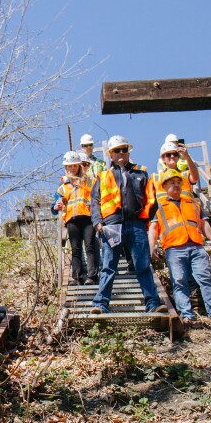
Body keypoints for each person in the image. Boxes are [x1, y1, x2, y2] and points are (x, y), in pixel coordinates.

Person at [89, 135, 166, 315]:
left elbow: (151, 198)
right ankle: (101, 304)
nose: (121, 153)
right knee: (108, 266)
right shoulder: (103, 176)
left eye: (124, 149)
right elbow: (94, 202)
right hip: (111, 225)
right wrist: (97, 223)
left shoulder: (141, 172)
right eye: (117, 150)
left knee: (143, 265)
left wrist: (147, 219)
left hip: (136, 224)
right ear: (110, 154)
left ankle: (152, 303)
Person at [148, 169, 211, 329]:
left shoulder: (193, 203)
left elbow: (204, 223)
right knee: (179, 282)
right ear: (164, 186)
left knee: (205, 279)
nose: (176, 185)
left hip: (196, 246)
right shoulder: (159, 207)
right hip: (173, 248)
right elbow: (153, 228)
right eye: (172, 183)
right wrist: (152, 247)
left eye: (178, 182)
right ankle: (187, 316)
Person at [52, 151, 97, 285]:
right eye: (69, 166)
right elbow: (54, 206)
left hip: (88, 218)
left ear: (79, 166)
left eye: (74, 166)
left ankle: (92, 276)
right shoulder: (62, 188)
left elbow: (97, 198)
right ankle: (77, 277)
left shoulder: (90, 181)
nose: (72, 168)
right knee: (75, 248)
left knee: (90, 246)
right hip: (72, 220)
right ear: (66, 168)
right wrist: (56, 206)